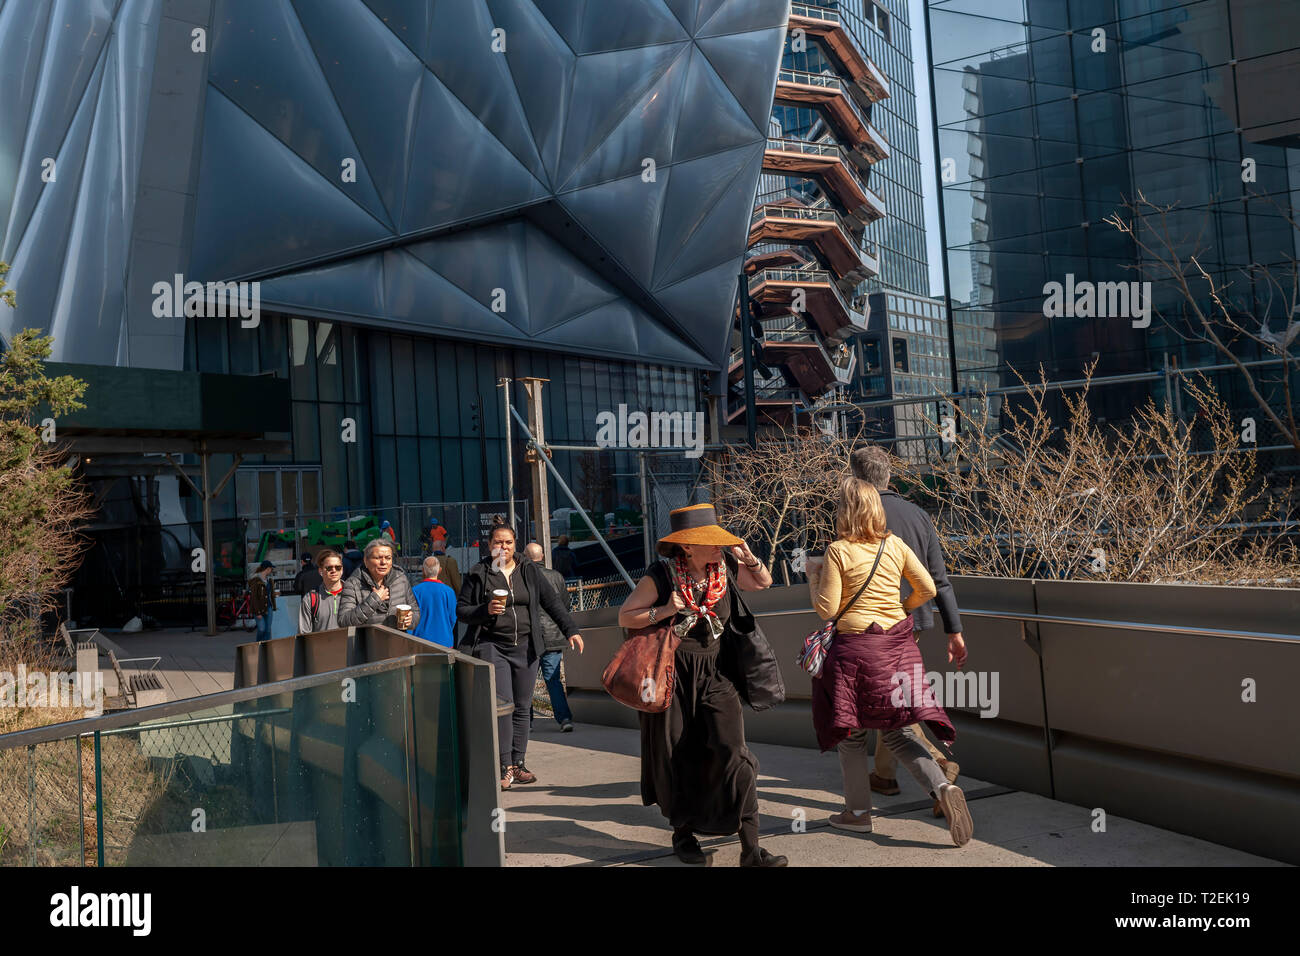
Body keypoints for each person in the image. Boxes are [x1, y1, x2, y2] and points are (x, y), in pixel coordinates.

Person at [617, 503, 787, 868]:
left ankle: (751, 849)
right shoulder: (660, 577)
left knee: (734, 753)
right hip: (671, 677)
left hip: (716, 675)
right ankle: (683, 833)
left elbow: (763, 582)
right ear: (688, 547)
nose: (718, 547)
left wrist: (748, 556)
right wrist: (663, 610)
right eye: (711, 542)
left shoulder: (723, 569)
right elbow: (625, 615)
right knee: (677, 757)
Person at [807, 476, 973, 847]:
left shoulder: (838, 551)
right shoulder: (894, 544)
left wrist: (812, 577)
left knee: (851, 735)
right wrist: (901, 608)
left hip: (856, 653)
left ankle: (858, 815)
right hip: (897, 648)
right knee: (896, 730)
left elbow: (827, 610)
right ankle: (942, 786)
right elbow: (928, 588)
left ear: (845, 511)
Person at [850, 445, 967, 815]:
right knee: (895, 698)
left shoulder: (857, 516)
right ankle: (884, 776)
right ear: (889, 476)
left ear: (856, 478)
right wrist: (954, 630)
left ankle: (938, 766)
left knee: (888, 706)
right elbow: (939, 580)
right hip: (911, 623)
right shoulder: (918, 515)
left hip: (871, 628)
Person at [458, 524, 583, 791]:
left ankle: (518, 763)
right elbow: (462, 610)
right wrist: (486, 609)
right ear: (488, 544)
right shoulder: (478, 573)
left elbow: (552, 602)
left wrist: (570, 630)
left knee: (523, 706)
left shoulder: (528, 570)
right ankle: (503, 766)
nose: (503, 548)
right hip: (493, 645)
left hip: (526, 647)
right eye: (498, 543)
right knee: (503, 706)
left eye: (508, 543)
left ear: (515, 544)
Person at [524, 542, 578, 732]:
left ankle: (526, 722)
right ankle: (564, 719)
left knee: (526, 681)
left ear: (525, 557)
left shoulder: (524, 577)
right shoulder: (556, 576)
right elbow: (564, 606)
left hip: (531, 638)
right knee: (553, 680)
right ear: (543, 556)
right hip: (554, 636)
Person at [338, 537, 418, 630]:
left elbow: (415, 611)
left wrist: (411, 620)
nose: (383, 562)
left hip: (398, 642)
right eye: (378, 558)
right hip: (368, 643)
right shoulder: (353, 584)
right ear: (365, 560)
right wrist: (375, 600)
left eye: (388, 558)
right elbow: (344, 621)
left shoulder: (401, 579)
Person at [410, 556, 457, 647]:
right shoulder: (449, 591)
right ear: (440, 570)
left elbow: (411, 619)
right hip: (444, 641)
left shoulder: (414, 591)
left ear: (423, 570)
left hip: (420, 641)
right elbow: (453, 618)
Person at [299, 548, 346, 633]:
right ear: (320, 571)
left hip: (350, 646)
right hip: (321, 646)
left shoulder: (353, 593)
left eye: (338, 567)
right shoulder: (310, 599)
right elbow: (303, 635)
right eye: (329, 568)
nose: (334, 570)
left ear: (342, 570)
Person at [250, 560, 277, 640]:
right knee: (262, 629)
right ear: (267, 569)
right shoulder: (256, 580)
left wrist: (273, 606)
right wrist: (258, 612)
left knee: (268, 630)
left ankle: (266, 648)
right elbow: (254, 598)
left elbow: (270, 594)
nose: (272, 570)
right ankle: (258, 645)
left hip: (268, 608)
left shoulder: (270, 581)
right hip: (258, 609)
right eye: (271, 569)